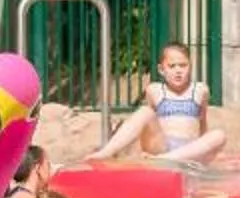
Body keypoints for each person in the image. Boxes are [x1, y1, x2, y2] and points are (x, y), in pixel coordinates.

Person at [87, 43, 226, 164]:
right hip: (162, 147)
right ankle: (106, 152)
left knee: (219, 135)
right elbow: (146, 126)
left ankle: (168, 159)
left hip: (189, 150)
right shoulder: (154, 90)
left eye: (183, 65)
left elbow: (203, 123)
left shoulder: (200, 90)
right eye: (172, 66)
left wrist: (209, 149)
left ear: (190, 66)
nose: (178, 71)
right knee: (145, 112)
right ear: (161, 70)